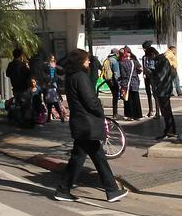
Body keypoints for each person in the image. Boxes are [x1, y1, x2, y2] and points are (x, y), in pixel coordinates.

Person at [54, 49, 128, 203]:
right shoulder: (81, 77)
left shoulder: (72, 76)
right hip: (87, 124)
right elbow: (91, 100)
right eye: (86, 59)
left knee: (84, 157)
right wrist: (100, 110)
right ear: (80, 61)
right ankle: (111, 190)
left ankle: (64, 189)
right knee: (92, 157)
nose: (88, 62)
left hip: (81, 123)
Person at [145, 44, 176, 140]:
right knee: (165, 111)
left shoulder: (162, 61)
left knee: (166, 110)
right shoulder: (159, 60)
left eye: (150, 57)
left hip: (164, 89)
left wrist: (150, 72)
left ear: (153, 54)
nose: (150, 59)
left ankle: (170, 131)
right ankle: (168, 130)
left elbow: (160, 76)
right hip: (161, 89)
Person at [119, 48, 143, 120]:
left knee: (128, 100)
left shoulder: (121, 63)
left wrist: (121, 83)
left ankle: (130, 115)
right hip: (135, 82)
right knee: (136, 99)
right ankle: (138, 115)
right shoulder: (134, 61)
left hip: (126, 83)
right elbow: (140, 69)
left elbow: (123, 75)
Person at [141, 40, 160, 119]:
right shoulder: (144, 57)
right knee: (148, 93)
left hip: (153, 76)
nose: (144, 50)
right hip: (147, 77)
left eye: (145, 48)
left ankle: (157, 112)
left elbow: (153, 67)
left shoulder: (154, 56)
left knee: (155, 94)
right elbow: (144, 66)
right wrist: (144, 73)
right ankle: (150, 110)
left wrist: (148, 71)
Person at [100, 49, 121, 117]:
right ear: (116, 53)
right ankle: (115, 113)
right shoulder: (114, 61)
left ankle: (115, 113)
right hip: (113, 81)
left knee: (114, 96)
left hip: (108, 80)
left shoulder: (107, 59)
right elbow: (116, 73)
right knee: (115, 96)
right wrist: (118, 83)